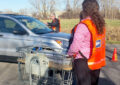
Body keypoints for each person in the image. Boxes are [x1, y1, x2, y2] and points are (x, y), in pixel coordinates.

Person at [67, 0, 106, 85]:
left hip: (83, 62)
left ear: (85, 9)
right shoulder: (100, 24)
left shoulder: (83, 25)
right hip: (95, 60)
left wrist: (69, 54)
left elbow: (75, 45)